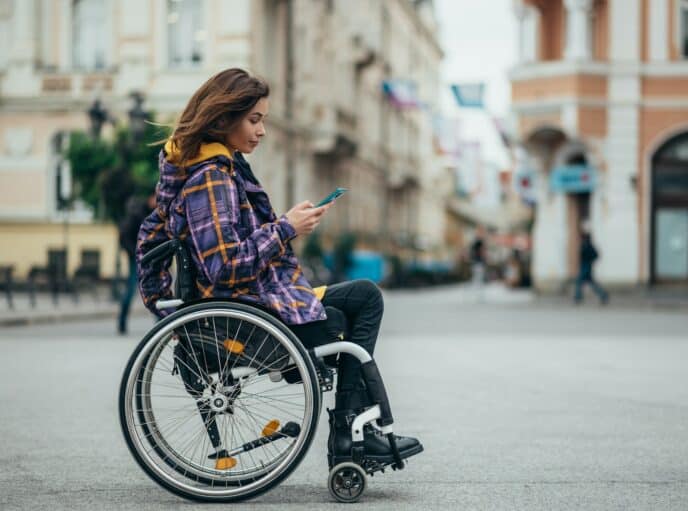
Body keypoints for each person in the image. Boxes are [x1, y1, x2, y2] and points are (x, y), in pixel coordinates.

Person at [135, 68, 422, 468]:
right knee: (351, 311)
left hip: (253, 301)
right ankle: (350, 435)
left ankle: (352, 432)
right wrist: (286, 228)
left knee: (365, 296)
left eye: (264, 121)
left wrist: (286, 226)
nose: (262, 131)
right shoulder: (211, 179)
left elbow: (173, 241)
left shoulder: (217, 168)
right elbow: (225, 267)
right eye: (254, 120)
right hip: (244, 314)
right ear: (223, 120)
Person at [117, 193, 155, 334]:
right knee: (131, 290)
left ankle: (160, 324)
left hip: (150, 258)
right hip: (137, 259)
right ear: (151, 197)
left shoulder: (154, 212)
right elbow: (124, 235)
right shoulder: (137, 213)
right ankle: (122, 322)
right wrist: (134, 253)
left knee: (155, 289)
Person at [573, 231, 609, 305]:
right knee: (592, 283)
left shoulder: (587, 245)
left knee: (579, 282)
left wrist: (589, 261)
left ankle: (578, 297)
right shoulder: (586, 245)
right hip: (585, 266)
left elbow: (595, 255)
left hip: (586, 266)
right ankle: (603, 295)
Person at [469, 226, 487, 302]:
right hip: (478, 262)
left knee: (477, 278)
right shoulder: (479, 242)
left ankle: (477, 294)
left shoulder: (475, 241)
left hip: (475, 262)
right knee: (478, 278)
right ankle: (477, 294)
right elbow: (482, 252)